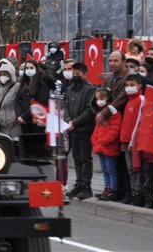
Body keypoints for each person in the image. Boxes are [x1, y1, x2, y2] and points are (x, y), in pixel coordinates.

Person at [63, 62, 96, 200]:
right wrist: (69, 120)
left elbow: (90, 110)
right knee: (76, 158)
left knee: (85, 158)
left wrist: (75, 122)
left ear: (84, 74)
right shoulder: (70, 89)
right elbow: (65, 106)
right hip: (73, 130)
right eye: (74, 74)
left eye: (78, 74)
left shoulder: (89, 89)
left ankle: (86, 185)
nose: (75, 76)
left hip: (84, 129)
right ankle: (78, 183)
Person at [91, 87, 122, 201]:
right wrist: (95, 141)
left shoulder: (113, 112)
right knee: (104, 170)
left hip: (108, 146)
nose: (99, 101)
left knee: (111, 170)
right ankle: (107, 188)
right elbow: (96, 130)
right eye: (97, 99)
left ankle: (113, 190)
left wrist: (104, 140)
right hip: (100, 145)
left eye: (102, 98)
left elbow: (115, 129)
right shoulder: (101, 113)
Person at [118, 74, 145, 206]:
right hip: (127, 141)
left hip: (135, 142)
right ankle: (134, 192)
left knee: (136, 168)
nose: (129, 88)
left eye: (132, 85)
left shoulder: (141, 99)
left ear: (139, 86)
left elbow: (138, 123)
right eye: (127, 85)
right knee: (130, 168)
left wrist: (133, 141)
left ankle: (139, 193)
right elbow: (126, 124)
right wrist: (124, 141)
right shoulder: (129, 100)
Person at [15, 59, 56, 135]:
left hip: (36, 120)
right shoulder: (23, 83)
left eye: (31, 68)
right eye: (27, 68)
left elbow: (40, 102)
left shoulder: (42, 83)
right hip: (23, 121)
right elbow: (17, 100)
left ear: (36, 69)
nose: (29, 70)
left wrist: (24, 116)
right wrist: (19, 115)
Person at [0, 58, 21, 138]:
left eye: (5, 74)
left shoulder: (17, 87)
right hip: (1, 127)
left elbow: (20, 103)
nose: (3, 76)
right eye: (1, 74)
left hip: (15, 127)